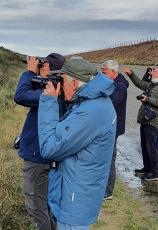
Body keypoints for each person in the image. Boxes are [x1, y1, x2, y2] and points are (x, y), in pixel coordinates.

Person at [38, 58, 117, 229]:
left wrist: (48, 102)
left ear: (74, 83)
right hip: (81, 191)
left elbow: (49, 148)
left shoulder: (88, 113)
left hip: (74, 202)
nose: (60, 85)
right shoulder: (97, 101)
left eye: (62, 80)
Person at [14, 53, 66, 230]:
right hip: (52, 156)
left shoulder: (51, 92)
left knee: (36, 205)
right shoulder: (65, 90)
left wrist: (29, 72)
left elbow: (20, 96)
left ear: (51, 69)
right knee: (52, 204)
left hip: (38, 157)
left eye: (43, 65)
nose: (39, 67)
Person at [123, 67, 158, 181]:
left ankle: (155, 173)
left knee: (151, 148)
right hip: (145, 119)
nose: (152, 72)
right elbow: (140, 84)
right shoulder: (153, 84)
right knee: (144, 146)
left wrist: (148, 99)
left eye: (154, 71)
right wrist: (131, 74)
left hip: (153, 121)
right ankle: (147, 168)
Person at [101, 60, 129, 200]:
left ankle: (108, 191)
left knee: (109, 158)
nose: (102, 73)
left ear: (113, 72)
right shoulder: (114, 83)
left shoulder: (119, 87)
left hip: (112, 128)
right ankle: (104, 188)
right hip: (109, 126)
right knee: (105, 156)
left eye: (104, 71)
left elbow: (109, 104)